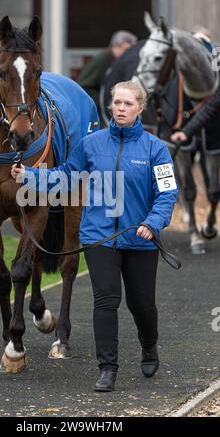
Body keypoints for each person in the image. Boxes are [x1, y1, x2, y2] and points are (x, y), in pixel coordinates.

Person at [11, 81, 178, 392]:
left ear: (140, 108)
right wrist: (29, 176)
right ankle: (107, 368)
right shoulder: (91, 144)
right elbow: (65, 175)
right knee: (105, 300)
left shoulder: (156, 149)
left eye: (128, 104)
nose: (120, 109)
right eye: (116, 103)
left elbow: (167, 193)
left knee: (142, 305)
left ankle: (149, 345)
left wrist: (153, 223)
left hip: (140, 240)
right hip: (99, 239)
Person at [78, 31, 137, 122]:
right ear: (115, 46)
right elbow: (84, 86)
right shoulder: (102, 60)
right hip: (98, 113)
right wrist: (106, 100)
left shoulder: (121, 63)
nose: (128, 55)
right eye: (126, 50)